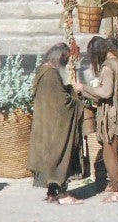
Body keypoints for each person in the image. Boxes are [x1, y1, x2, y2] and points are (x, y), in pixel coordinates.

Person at [77, 36, 118, 203]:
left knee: (109, 150)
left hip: (115, 117)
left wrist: (83, 88)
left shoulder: (108, 66)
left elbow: (105, 92)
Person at [29, 43, 84, 204]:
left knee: (50, 157)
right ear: (60, 58)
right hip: (55, 127)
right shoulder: (51, 74)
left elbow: (55, 96)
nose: (66, 63)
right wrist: (76, 99)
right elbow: (61, 103)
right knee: (60, 154)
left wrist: (68, 89)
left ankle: (52, 192)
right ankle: (62, 195)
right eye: (65, 59)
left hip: (45, 124)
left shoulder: (42, 71)